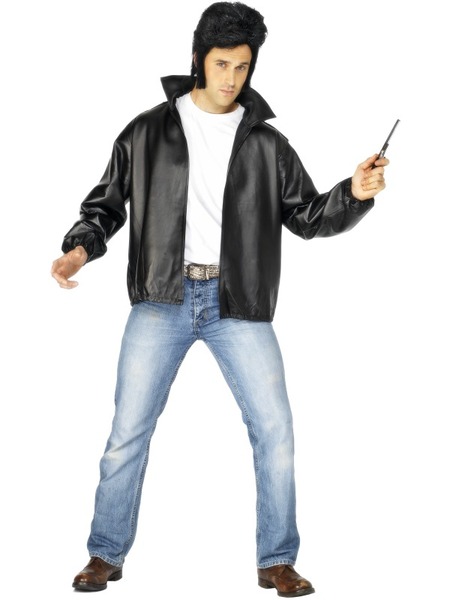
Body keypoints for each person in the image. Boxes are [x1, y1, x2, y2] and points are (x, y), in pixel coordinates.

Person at [51, 2, 389, 596]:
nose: (232, 78)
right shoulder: (146, 131)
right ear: (198, 60)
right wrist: (79, 249)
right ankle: (104, 553)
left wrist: (355, 193)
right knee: (127, 433)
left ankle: (276, 561)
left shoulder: (268, 144)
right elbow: (104, 205)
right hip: (162, 297)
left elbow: (308, 217)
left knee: (275, 430)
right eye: (221, 64)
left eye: (243, 66)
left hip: (238, 302)